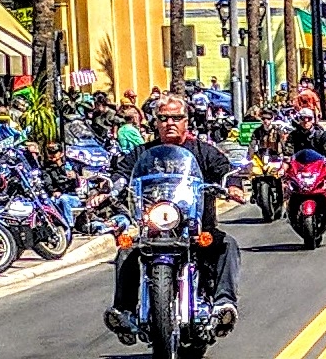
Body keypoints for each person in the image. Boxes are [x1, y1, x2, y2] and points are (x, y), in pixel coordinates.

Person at [104, 96, 245, 340]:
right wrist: (109, 188)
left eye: (176, 118)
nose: (170, 123)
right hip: (154, 228)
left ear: (186, 121)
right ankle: (125, 311)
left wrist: (232, 185)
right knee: (126, 250)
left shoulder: (203, 151)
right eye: (163, 118)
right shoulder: (143, 153)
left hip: (196, 228)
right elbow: (122, 172)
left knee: (227, 245)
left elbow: (225, 169)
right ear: (155, 122)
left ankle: (224, 305)